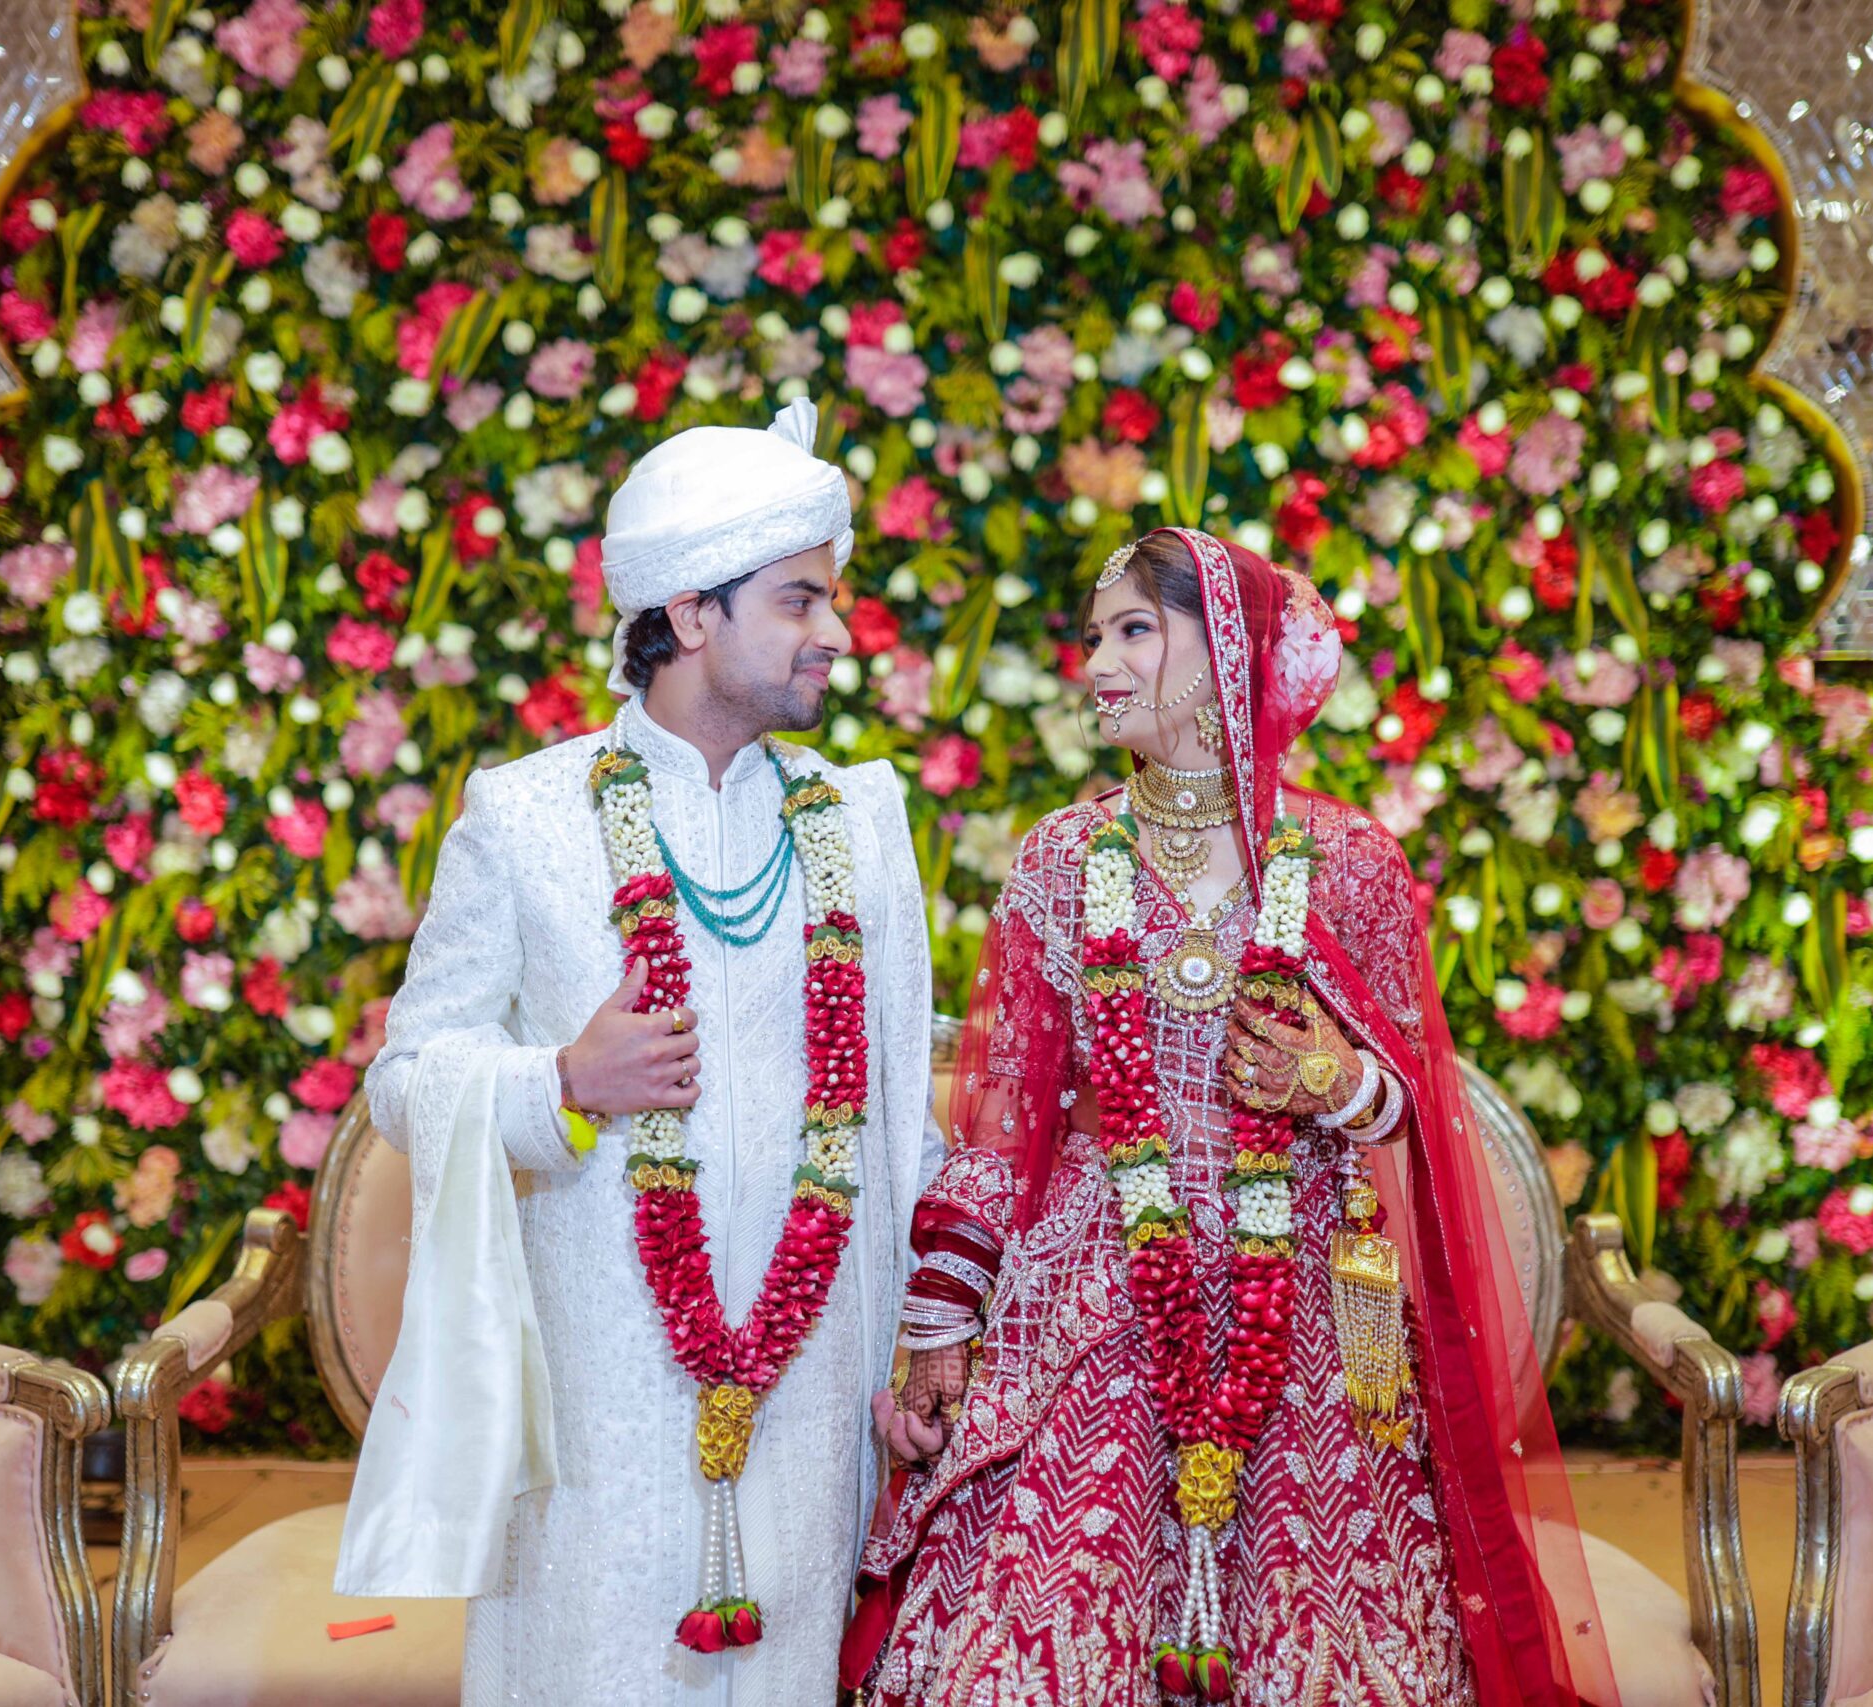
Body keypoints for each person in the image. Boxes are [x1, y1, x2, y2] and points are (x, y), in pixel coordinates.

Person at [842, 526, 1619, 1707]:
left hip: (1301, 1297)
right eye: (1094, 636)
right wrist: (942, 1327)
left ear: (1227, 652)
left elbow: (1410, 1107)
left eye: (1133, 631)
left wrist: (1333, 1082)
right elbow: (1006, 1124)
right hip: (1096, 1286)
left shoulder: (1346, 859)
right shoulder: (1061, 859)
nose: (1097, 664)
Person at [337, 398, 941, 1707]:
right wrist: (560, 1081)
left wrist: (920, 1348)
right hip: (598, 1394)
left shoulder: (857, 819)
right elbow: (406, 1076)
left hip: (810, 1388)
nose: (837, 633)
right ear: (689, 613)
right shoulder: (526, 816)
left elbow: (905, 1122)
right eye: (799, 599)